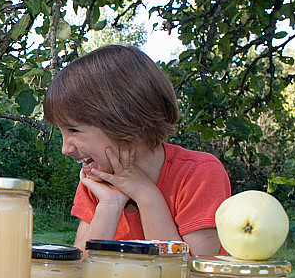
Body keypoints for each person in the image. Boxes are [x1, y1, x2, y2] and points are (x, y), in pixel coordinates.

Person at [43, 44, 231, 258]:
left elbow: (189, 275)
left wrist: (145, 195)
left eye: (74, 130)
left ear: (126, 122)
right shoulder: (97, 180)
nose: (65, 149)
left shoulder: (199, 174)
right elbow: (80, 271)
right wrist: (110, 204)